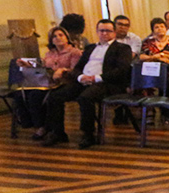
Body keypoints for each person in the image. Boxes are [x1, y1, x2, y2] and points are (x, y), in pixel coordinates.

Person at [42, 19, 133, 149]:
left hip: (107, 83)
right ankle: (57, 132)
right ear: (97, 32)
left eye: (108, 31)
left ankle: (88, 133)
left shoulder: (122, 48)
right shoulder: (90, 48)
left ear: (114, 33)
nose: (105, 33)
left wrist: (96, 78)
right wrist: (80, 77)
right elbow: (78, 68)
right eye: (102, 30)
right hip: (84, 80)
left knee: (85, 98)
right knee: (55, 96)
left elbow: (121, 70)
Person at [22, 25, 81, 139]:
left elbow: (76, 70)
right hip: (50, 82)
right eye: (54, 36)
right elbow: (42, 64)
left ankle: (56, 131)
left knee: (51, 98)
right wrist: (27, 63)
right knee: (33, 95)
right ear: (51, 40)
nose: (58, 38)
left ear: (67, 37)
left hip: (67, 83)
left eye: (60, 35)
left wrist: (63, 70)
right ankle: (41, 126)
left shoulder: (75, 52)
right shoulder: (50, 53)